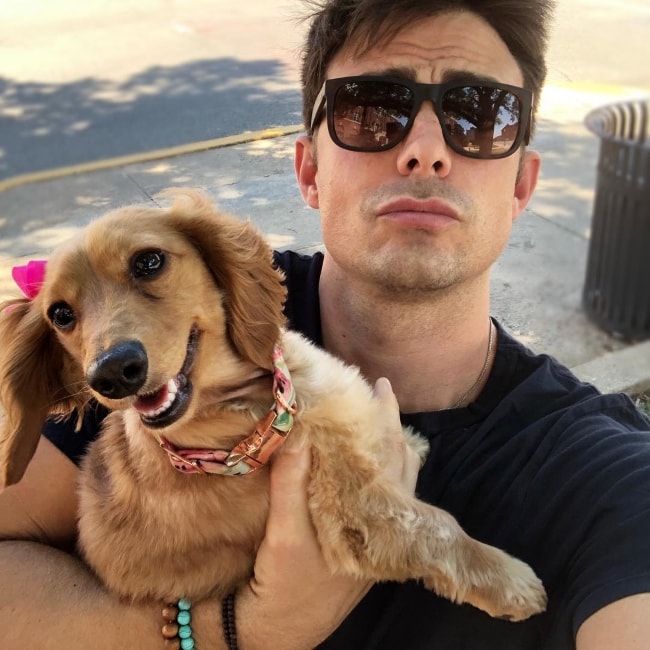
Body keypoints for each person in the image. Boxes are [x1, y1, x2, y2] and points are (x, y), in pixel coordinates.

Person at [1, 0, 650, 648]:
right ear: (309, 169)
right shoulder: (150, 333)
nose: (425, 151)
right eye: (372, 109)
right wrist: (240, 631)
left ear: (522, 185)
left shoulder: (607, 477)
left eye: (480, 114)